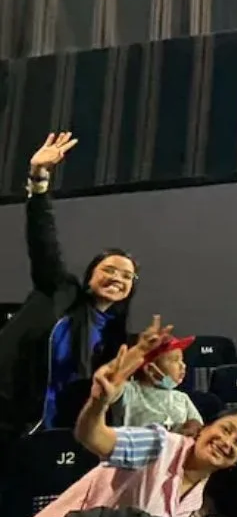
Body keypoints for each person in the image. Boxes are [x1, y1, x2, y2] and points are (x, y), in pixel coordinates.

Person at [9, 335, 237, 517]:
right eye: (225, 429)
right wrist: (99, 401)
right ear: (204, 428)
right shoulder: (159, 443)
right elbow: (91, 436)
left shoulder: (202, 502)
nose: (227, 442)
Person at [0, 132, 136, 441]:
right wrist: (39, 180)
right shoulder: (60, 291)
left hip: (54, 432)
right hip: (9, 416)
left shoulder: (115, 334)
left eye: (127, 276)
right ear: (90, 276)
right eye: (109, 270)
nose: (117, 278)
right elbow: (43, 240)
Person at [115, 323, 202, 430]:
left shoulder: (182, 399)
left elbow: (198, 427)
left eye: (182, 360)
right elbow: (112, 384)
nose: (183, 365)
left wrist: (193, 425)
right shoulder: (129, 391)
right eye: (175, 360)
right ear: (150, 370)